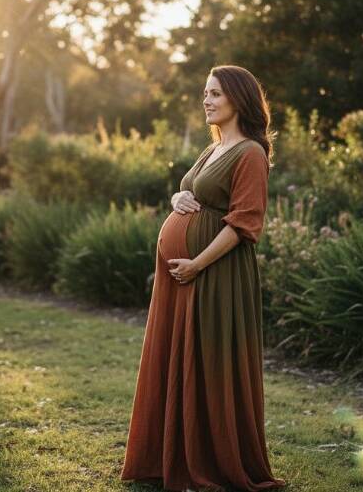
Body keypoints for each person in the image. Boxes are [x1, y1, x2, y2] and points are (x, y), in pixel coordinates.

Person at [120, 65, 285, 492]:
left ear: (237, 99)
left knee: (210, 362)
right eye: (205, 94)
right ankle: (173, 452)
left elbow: (244, 223)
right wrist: (177, 196)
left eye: (214, 94)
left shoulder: (250, 152)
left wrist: (197, 264)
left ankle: (211, 459)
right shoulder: (213, 148)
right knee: (181, 359)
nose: (206, 101)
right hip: (183, 276)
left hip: (216, 274)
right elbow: (190, 193)